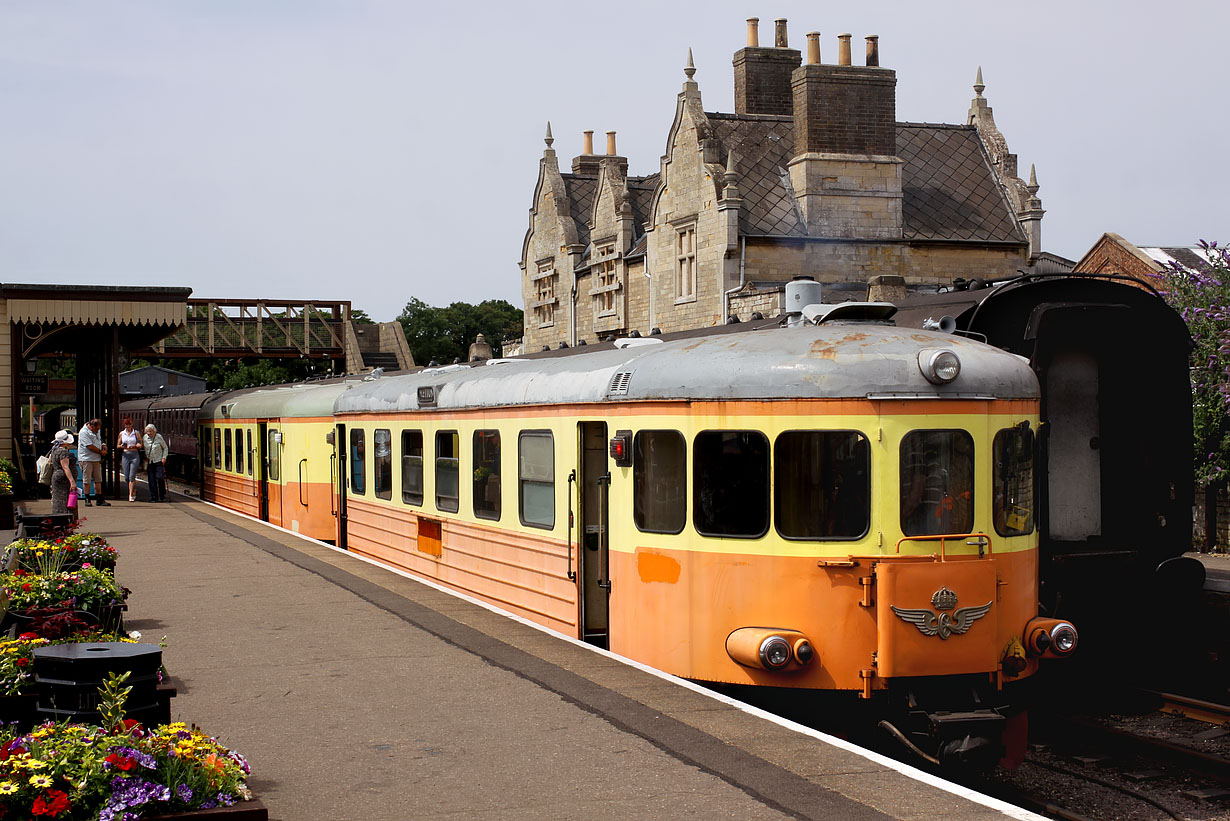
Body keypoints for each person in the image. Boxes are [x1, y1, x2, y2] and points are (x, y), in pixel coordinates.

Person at [77, 418, 110, 506]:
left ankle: (99, 498)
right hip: (86, 459)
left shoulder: (96, 430)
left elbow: (99, 440)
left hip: (96, 459)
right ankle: (87, 498)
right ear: (91, 426)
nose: (97, 431)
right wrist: (101, 452)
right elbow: (90, 446)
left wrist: (103, 445)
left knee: (98, 479)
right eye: (96, 429)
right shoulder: (84, 432)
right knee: (87, 480)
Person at [48, 429, 78, 520]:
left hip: (56, 476)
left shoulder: (54, 450)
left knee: (58, 500)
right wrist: (72, 482)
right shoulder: (63, 452)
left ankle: (58, 521)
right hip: (64, 479)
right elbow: (65, 467)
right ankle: (67, 522)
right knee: (66, 500)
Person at [117, 418, 143, 502]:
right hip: (125, 455)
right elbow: (117, 445)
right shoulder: (122, 433)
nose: (128, 427)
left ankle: (131, 495)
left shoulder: (136, 433)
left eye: (129, 425)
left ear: (132, 425)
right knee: (126, 477)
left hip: (134, 455)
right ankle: (133, 489)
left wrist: (136, 446)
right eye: (126, 426)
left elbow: (141, 444)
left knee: (132, 476)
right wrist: (121, 446)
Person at [143, 424, 169, 502]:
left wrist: (164, 457)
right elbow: (143, 447)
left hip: (158, 461)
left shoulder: (159, 437)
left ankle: (162, 495)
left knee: (160, 477)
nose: (149, 433)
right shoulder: (145, 438)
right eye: (147, 431)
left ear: (154, 431)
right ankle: (154, 497)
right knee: (151, 480)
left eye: (150, 431)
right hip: (150, 461)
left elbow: (165, 448)